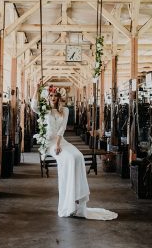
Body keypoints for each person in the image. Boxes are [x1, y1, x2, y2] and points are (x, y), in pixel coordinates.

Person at [31, 83, 117, 220]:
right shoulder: (43, 110)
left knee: (78, 156)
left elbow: (62, 129)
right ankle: (68, 202)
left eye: (55, 96)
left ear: (59, 98)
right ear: (48, 97)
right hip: (49, 143)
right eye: (51, 96)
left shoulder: (65, 110)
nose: (53, 98)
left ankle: (78, 199)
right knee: (69, 159)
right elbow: (33, 105)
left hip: (60, 141)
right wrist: (37, 89)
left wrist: (59, 144)